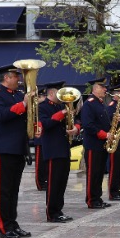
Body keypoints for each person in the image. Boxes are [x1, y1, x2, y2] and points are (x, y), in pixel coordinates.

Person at [0, 62, 32, 238]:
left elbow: (25, 118)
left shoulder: (18, 94)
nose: (19, 79)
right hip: (4, 148)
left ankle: (13, 223)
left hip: (18, 147)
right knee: (2, 191)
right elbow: (1, 115)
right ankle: (4, 227)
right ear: (6, 78)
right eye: (16, 76)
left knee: (13, 190)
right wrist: (23, 104)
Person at [37, 82, 77, 222]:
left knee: (61, 182)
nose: (63, 96)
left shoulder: (61, 106)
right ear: (52, 93)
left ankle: (58, 210)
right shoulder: (42, 107)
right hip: (52, 149)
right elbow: (45, 124)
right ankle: (52, 213)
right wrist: (62, 113)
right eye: (60, 93)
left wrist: (75, 128)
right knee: (53, 183)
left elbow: (76, 120)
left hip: (64, 148)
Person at [79, 78, 113, 209]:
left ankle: (97, 198)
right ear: (95, 88)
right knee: (93, 174)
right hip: (93, 145)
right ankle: (91, 200)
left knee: (99, 173)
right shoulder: (89, 104)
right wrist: (105, 134)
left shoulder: (100, 103)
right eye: (102, 87)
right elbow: (88, 125)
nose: (105, 89)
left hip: (101, 145)